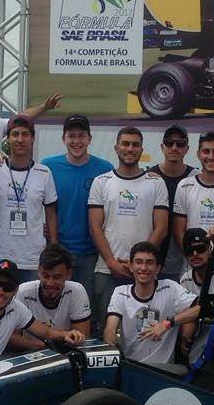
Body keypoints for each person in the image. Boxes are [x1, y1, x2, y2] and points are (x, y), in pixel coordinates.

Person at [88, 127, 169, 322]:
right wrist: (111, 262)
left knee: (143, 329)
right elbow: (95, 227)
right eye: (125, 144)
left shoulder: (156, 183)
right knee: (106, 329)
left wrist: (139, 264)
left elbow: (161, 227)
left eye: (135, 145)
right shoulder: (101, 182)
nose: (130, 149)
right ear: (116, 148)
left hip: (143, 272)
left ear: (142, 150)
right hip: (107, 270)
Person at [41, 114, 113, 318]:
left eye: (81, 136)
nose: (76, 141)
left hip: (91, 254)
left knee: (86, 308)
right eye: (71, 136)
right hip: (59, 250)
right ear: (63, 138)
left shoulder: (105, 169)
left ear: (90, 138)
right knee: (55, 308)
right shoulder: (49, 166)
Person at [0, 115, 57, 280]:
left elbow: (51, 213)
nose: (20, 139)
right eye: (15, 134)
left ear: (33, 138)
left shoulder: (44, 173)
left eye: (25, 134)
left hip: (32, 258)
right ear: (8, 139)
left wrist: (53, 247)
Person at [103, 242, 198, 365]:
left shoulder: (170, 288)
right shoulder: (120, 292)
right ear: (131, 266)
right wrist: (110, 338)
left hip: (163, 370)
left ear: (158, 268)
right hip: (131, 366)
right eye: (138, 262)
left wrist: (167, 323)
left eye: (149, 262)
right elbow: (110, 326)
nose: (143, 268)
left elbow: (201, 308)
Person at [15, 244, 92, 339]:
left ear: (69, 274)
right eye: (45, 276)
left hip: (66, 350)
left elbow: (82, 338)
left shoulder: (77, 291)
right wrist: (42, 348)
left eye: (57, 277)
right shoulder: (23, 292)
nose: (50, 283)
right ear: (38, 271)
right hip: (31, 350)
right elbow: (13, 337)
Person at [149, 125, 195, 282]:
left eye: (180, 144)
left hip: (186, 261)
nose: (174, 148)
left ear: (187, 148)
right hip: (154, 260)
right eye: (169, 143)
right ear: (162, 147)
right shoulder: (149, 178)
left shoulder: (196, 179)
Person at [180, 228, 214, 297]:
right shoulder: (184, 280)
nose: (195, 254)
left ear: (210, 249)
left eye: (200, 249)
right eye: (190, 250)